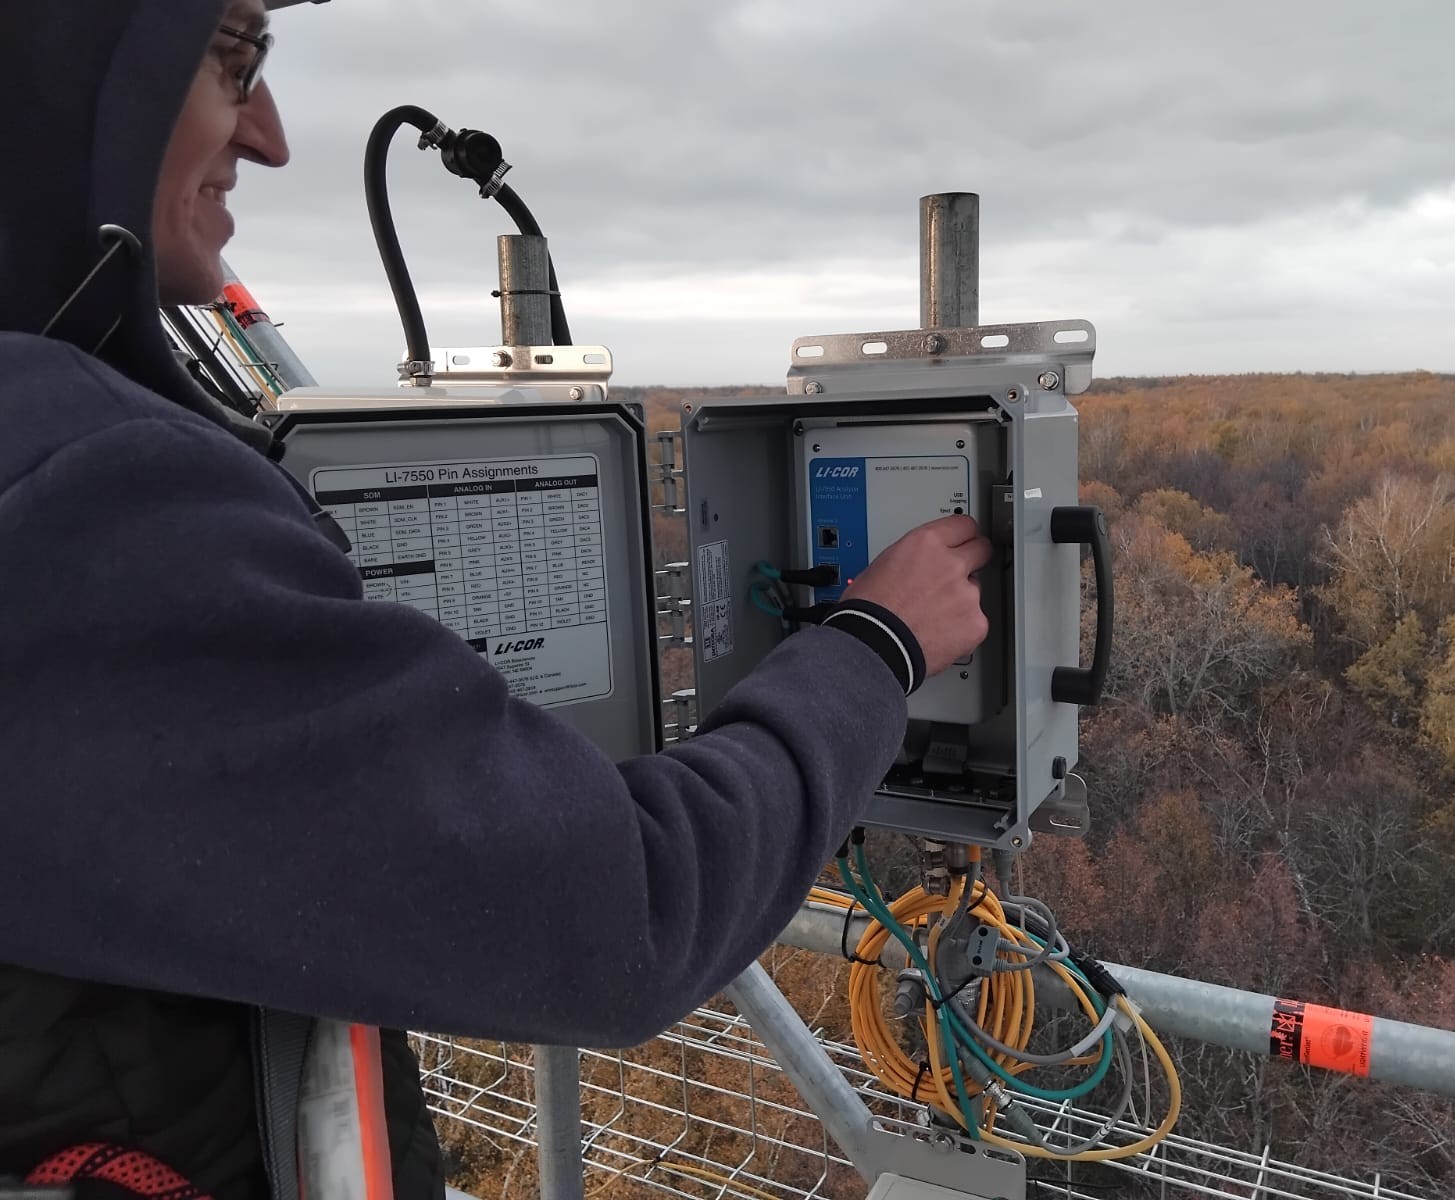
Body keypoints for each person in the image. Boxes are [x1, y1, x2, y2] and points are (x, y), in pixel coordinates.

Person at [0, 3, 992, 1199]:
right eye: (230, 59)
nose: (267, 136)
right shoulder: (85, 499)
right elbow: (630, 910)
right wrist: (875, 644)